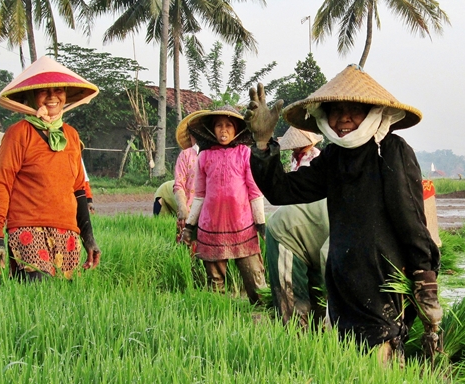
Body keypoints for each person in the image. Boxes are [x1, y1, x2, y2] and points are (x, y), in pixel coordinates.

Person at [244, 65, 442, 361]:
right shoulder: (334, 157)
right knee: (347, 362)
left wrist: (424, 277)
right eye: (336, 110)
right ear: (324, 117)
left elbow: (410, 221)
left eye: (354, 110)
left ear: (374, 112)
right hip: (342, 284)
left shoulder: (391, 151)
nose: (344, 118)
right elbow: (283, 191)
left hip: (383, 284)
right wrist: (262, 144)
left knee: (379, 365)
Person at [0, 55, 102, 281]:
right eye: (43, 91)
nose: (52, 96)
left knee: (61, 303)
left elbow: (79, 190)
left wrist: (89, 238)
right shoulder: (18, 134)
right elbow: (2, 186)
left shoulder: (71, 135)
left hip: (67, 231)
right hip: (27, 228)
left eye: (58, 89)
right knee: (37, 291)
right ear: (30, 95)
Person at [180, 106, 267, 305]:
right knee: (215, 280)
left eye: (229, 125)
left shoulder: (245, 153)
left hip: (242, 226)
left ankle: (264, 315)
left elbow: (254, 192)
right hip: (211, 227)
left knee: (255, 278)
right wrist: (189, 226)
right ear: (212, 129)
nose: (224, 130)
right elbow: (199, 195)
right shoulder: (204, 156)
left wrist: (260, 224)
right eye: (219, 125)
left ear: (237, 130)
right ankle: (217, 314)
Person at [266, 127, 329, 330]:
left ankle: (319, 343)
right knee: (294, 306)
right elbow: (331, 261)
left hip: (312, 230)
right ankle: (295, 349)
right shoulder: (353, 226)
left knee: (319, 302)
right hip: (287, 232)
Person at [173, 111, 203, 242]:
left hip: (213, 213)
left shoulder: (217, 154)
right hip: (189, 213)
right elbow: (179, 184)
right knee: (186, 253)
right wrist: (182, 207)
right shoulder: (186, 155)